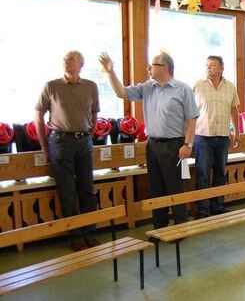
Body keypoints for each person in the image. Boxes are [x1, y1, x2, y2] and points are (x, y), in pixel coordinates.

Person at [99, 51, 198, 229]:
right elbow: (121, 93)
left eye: (152, 65)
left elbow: (192, 119)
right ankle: (160, 227)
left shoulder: (183, 89)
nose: (148, 68)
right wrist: (110, 72)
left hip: (175, 145)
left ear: (165, 68)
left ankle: (180, 227)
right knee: (156, 188)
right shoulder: (147, 87)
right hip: (152, 145)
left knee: (176, 187)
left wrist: (187, 144)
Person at [35, 50, 100, 252]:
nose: (66, 62)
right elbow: (38, 116)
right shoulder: (51, 86)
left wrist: (89, 134)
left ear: (81, 64)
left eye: (71, 59)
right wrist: (45, 147)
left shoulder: (90, 86)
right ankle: (75, 235)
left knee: (87, 188)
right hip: (60, 141)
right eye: (64, 59)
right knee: (67, 190)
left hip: (84, 141)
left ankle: (89, 231)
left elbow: (95, 114)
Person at [192, 56, 240, 219]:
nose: (208, 68)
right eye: (207, 65)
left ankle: (218, 206)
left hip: (222, 136)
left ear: (221, 69)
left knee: (220, 172)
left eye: (212, 65)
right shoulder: (198, 85)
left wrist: (237, 132)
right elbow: (189, 113)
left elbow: (234, 110)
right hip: (202, 136)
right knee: (202, 174)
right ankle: (202, 210)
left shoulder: (230, 87)